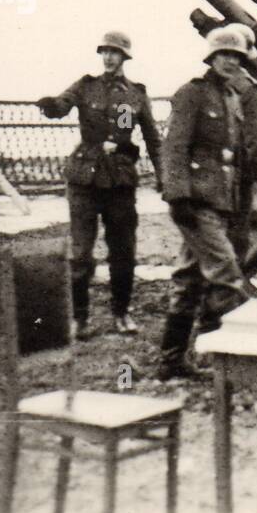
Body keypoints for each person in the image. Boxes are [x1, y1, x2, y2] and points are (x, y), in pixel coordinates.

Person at [157, 25, 257, 381]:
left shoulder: (233, 98)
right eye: (223, 55)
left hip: (221, 201)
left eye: (236, 56)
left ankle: (171, 362)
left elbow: (255, 151)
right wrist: (178, 195)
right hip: (196, 202)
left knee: (188, 279)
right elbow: (174, 148)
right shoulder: (191, 94)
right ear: (211, 58)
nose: (230, 61)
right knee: (227, 273)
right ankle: (221, 360)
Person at [37, 31, 162, 337]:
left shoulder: (136, 95)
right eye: (104, 52)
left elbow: (153, 140)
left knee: (123, 251)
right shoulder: (85, 86)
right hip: (84, 179)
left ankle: (121, 314)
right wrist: (51, 106)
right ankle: (80, 318)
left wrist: (165, 177)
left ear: (124, 58)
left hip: (119, 180)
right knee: (80, 253)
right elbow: (63, 103)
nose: (108, 57)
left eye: (114, 53)